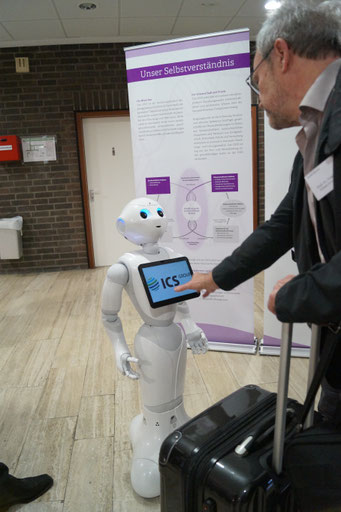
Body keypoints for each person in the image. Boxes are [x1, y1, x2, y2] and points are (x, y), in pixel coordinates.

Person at [175, 0, 341, 424]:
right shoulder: (315, 132)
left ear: (281, 55)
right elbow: (285, 224)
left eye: (256, 80)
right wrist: (217, 277)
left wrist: (298, 294)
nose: (260, 100)